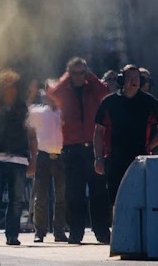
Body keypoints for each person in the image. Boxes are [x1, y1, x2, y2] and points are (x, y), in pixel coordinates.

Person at [94, 65, 158, 209]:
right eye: (129, 77)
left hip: (140, 159)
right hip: (115, 160)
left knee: (140, 200)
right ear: (121, 80)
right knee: (116, 202)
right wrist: (98, 158)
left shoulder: (150, 102)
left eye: (137, 78)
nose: (134, 81)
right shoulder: (109, 102)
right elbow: (98, 131)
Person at [47, 57, 111, 245]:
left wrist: (89, 76)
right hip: (72, 149)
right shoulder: (64, 90)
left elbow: (105, 91)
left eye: (82, 72)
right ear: (69, 74)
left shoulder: (93, 88)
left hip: (93, 147)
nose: (78, 76)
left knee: (99, 192)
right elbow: (53, 92)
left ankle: (102, 232)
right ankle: (76, 232)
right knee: (74, 194)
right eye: (74, 73)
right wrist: (68, 76)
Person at [0, 70, 38, 246]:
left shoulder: (25, 108)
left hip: (19, 160)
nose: (9, 89)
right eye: (5, 85)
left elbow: (32, 136)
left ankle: (12, 236)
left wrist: (34, 160)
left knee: (16, 201)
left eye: (12, 85)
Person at [28, 82, 67, 243]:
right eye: (48, 93)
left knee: (61, 197)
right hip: (43, 156)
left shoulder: (64, 112)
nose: (50, 96)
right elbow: (24, 113)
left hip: (61, 156)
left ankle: (59, 231)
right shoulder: (38, 111)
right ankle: (40, 232)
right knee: (40, 197)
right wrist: (31, 94)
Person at [139, 68, 158, 155]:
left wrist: (150, 146)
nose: (144, 83)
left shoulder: (153, 103)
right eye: (141, 79)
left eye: (147, 80)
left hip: (143, 153)